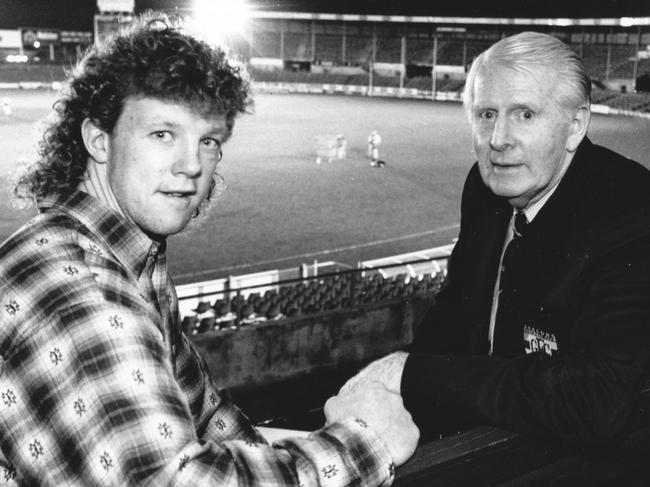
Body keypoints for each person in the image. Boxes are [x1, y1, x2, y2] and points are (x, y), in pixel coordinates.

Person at [0, 14, 418, 486]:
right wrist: (364, 441)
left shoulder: (126, 259)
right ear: (99, 140)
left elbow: (208, 416)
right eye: (163, 134)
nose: (191, 165)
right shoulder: (75, 285)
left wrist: (276, 450)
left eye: (209, 141)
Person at [335, 31, 650, 452]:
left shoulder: (631, 208)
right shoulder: (485, 190)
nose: (499, 139)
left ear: (575, 125)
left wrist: (413, 374)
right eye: (486, 115)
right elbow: (456, 312)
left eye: (524, 114)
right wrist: (394, 393)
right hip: (480, 435)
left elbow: (596, 403)